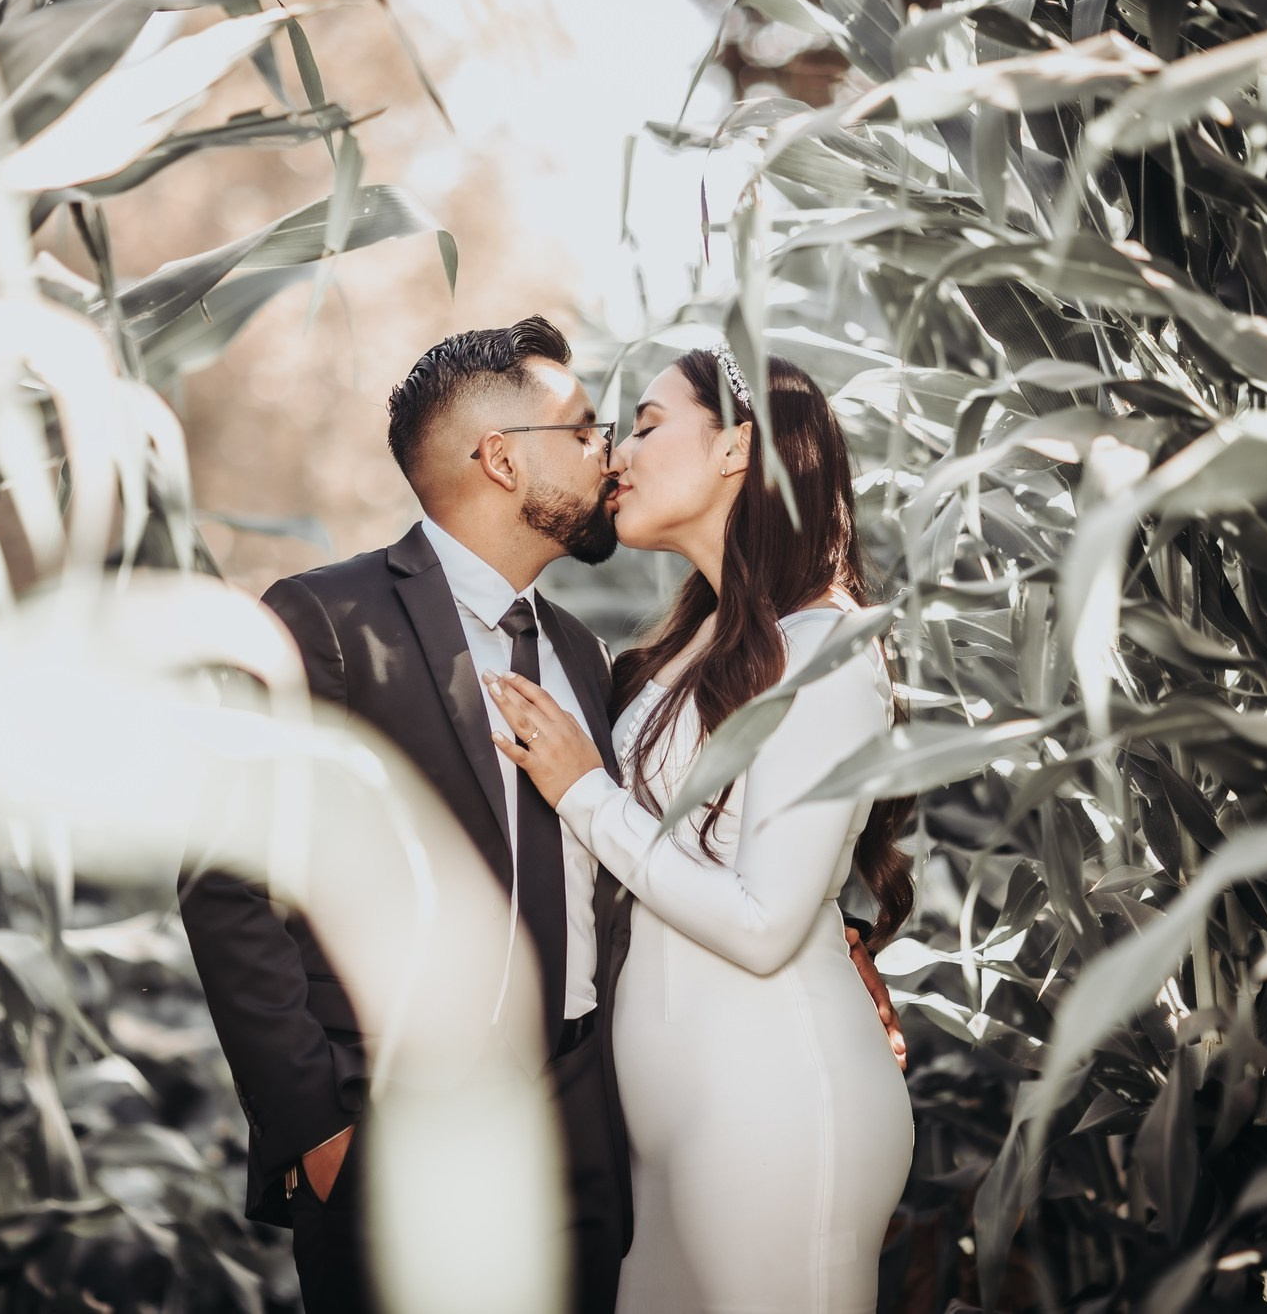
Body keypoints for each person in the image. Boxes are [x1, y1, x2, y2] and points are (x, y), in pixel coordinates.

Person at [180, 318, 901, 1314]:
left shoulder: (581, 653)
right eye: (589, 430)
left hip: (593, 1139)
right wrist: (316, 1127)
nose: (609, 453)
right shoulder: (328, 623)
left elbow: (739, 847)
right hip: (396, 1137)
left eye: (635, 426)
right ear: (503, 458)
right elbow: (226, 882)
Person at [485, 344, 917, 1313]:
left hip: (776, 1106)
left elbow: (765, 923)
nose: (616, 453)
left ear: (735, 448)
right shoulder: (690, 645)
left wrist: (585, 793)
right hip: (664, 1124)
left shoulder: (827, 648)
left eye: (643, 424)